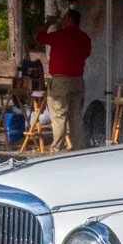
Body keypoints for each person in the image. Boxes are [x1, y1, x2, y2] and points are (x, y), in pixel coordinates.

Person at [35, 9, 91, 152]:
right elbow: (87, 53)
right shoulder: (84, 38)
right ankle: (78, 146)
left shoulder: (59, 35)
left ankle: (57, 148)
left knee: (59, 114)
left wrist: (48, 23)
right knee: (76, 115)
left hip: (61, 80)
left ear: (68, 19)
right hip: (78, 80)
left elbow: (40, 37)